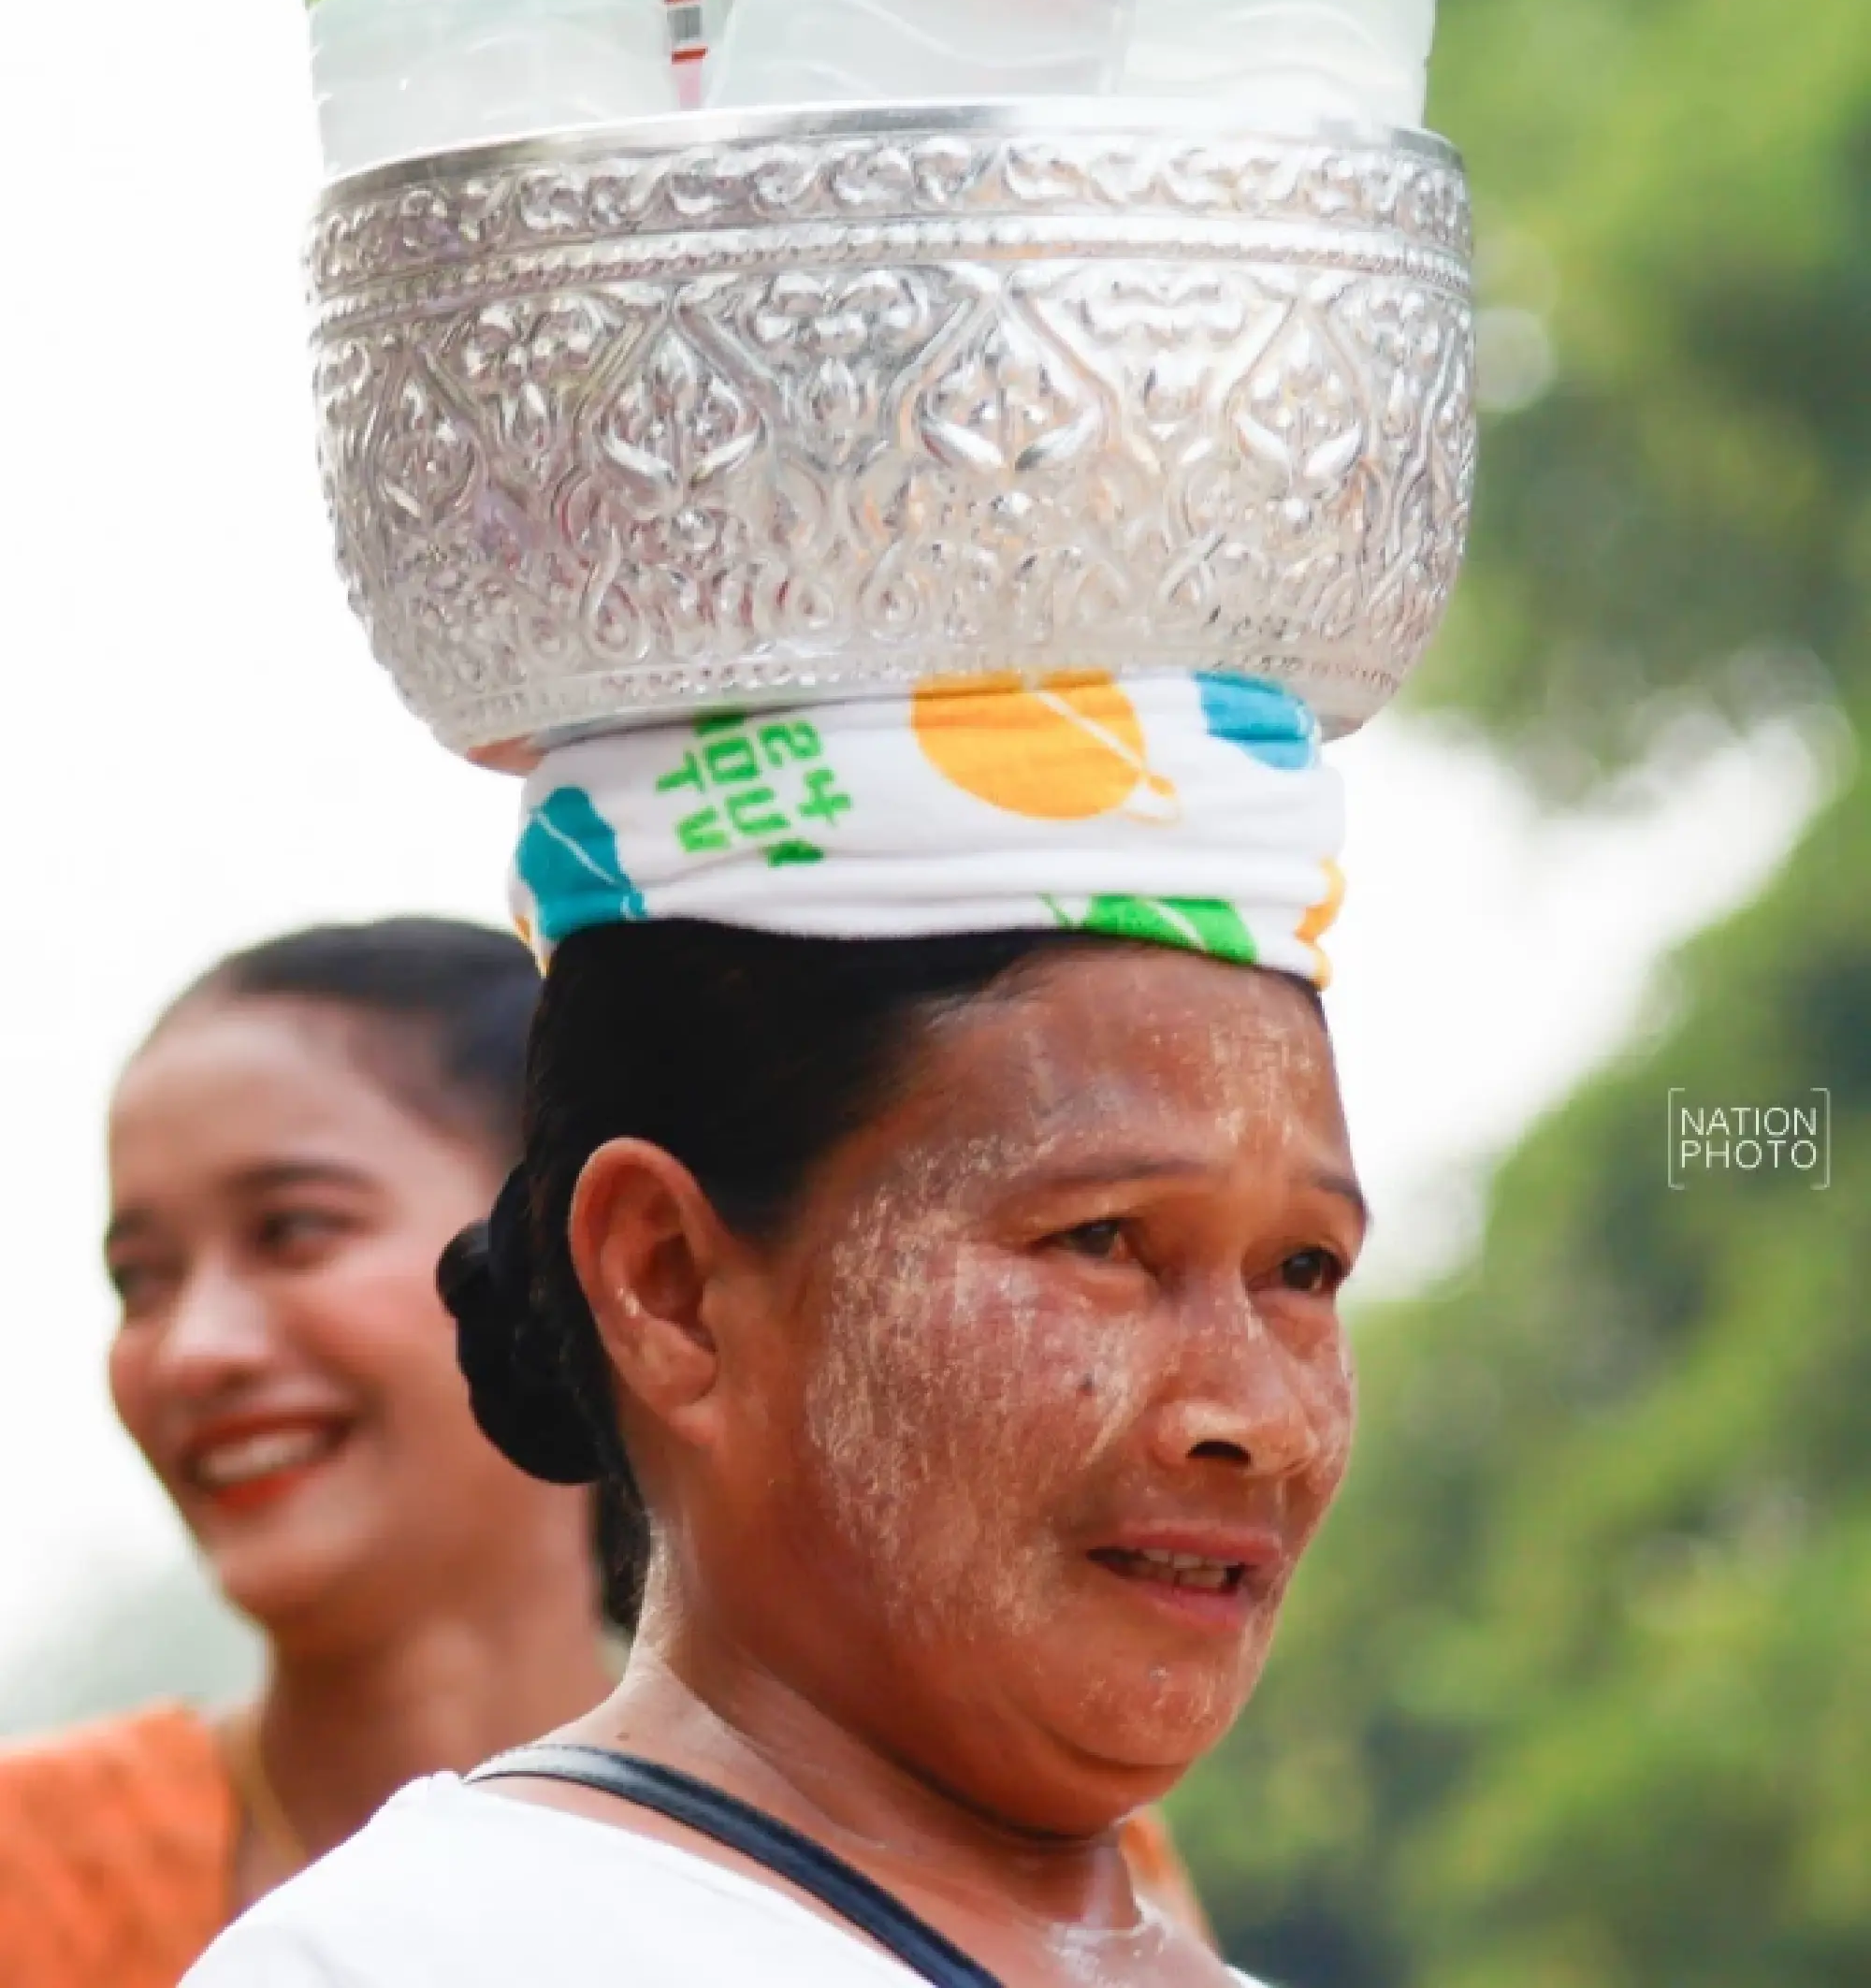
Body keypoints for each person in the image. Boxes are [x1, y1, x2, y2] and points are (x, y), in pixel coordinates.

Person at [182, 674, 1359, 1988]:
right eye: (1100, 1239)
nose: (1259, 1417)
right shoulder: (416, 1959)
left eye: (1302, 1268)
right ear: (671, 1284)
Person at [0, 920, 615, 1987]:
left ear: (570, 1252)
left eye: (292, 1230)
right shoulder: (34, 1875)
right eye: (140, 1280)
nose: (193, 1352)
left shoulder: (826, 1881)